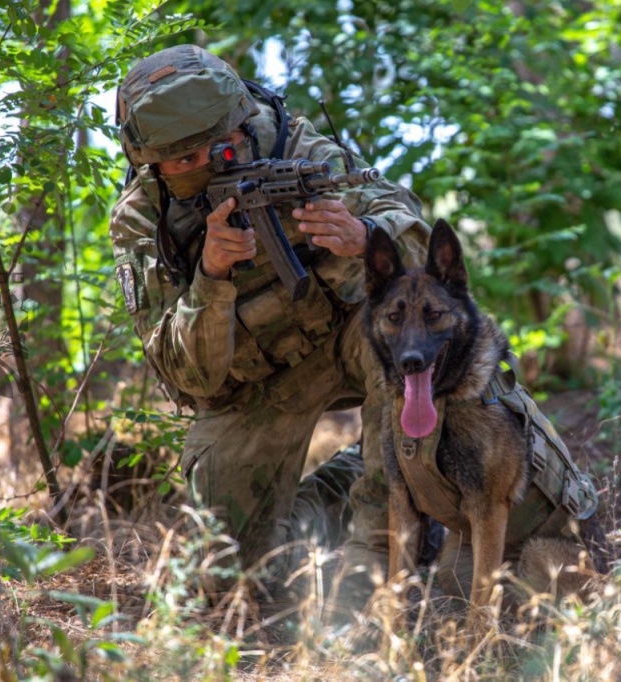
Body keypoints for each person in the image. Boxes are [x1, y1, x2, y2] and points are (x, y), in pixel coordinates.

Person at [108, 44, 430, 609]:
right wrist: (210, 276)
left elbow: (425, 251)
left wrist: (366, 236)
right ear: (147, 163)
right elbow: (187, 377)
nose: (206, 163)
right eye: (181, 162)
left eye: (216, 146)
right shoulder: (141, 219)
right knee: (233, 586)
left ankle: (384, 554)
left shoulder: (291, 144)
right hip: (254, 386)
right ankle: (335, 494)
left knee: (409, 339)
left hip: (348, 339)